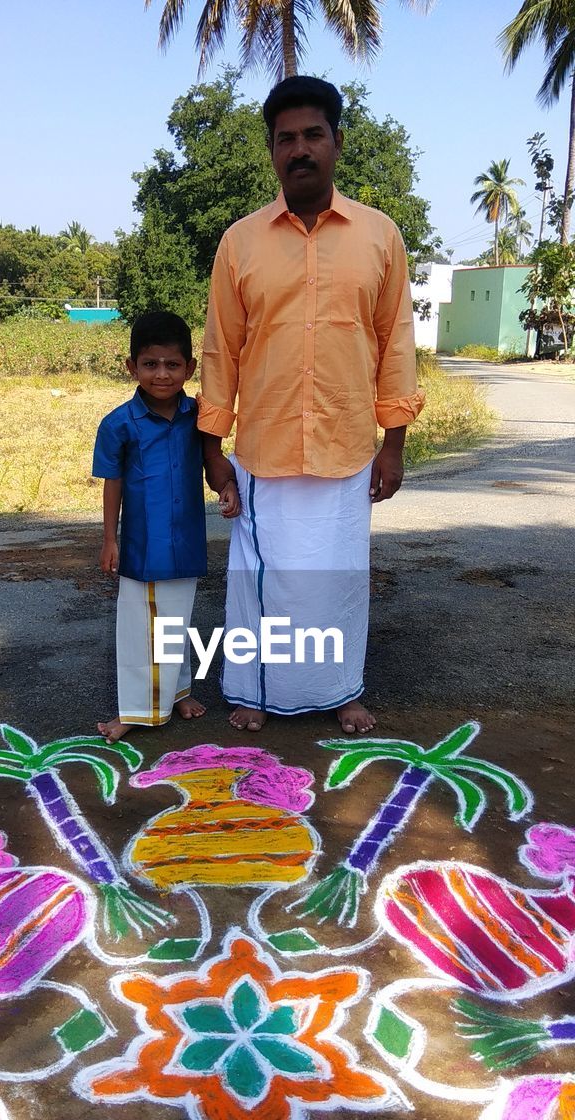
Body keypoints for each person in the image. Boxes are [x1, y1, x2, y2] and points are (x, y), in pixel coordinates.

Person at [198, 75, 424, 735]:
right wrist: (213, 452)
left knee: (337, 582)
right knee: (261, 583)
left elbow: (396, 345)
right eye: (286, 139)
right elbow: (221, 350)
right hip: (264, 453)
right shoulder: (239, 243)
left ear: (337, 142)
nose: (301, 150)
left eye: (313, 136)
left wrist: (394, 444)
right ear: (271, 151)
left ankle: (341, 690)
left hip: (349, 447)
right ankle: (253, 689)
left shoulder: (380, 238)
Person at [94, 310, 239, 744]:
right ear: (131, 366)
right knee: (140, 627)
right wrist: (109, 540)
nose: (162, 375)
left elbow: (214, 461)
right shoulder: (118, 423)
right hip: (144, 544)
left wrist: (227, 487)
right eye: (150, 364)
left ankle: (177, 692)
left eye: (173, 365)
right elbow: (112, 483)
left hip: (186, 537)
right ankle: (136, 712)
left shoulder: (199, 415)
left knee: (175, 619)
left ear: (189, 368)